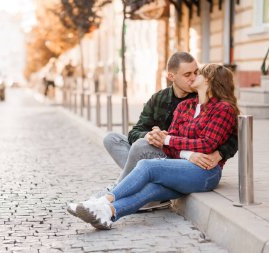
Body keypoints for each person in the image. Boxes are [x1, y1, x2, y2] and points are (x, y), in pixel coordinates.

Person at [68, 63, 240, 230]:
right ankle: (108, 213)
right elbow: (169, 146)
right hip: (181, 163)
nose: (194, 76)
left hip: (206, 171)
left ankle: (103, 201)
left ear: (209, 80)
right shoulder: (185, 106)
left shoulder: (222, 109)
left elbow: (207, 143)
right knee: (152, 188)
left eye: (199, 73)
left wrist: (168, 140)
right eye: (190, 73)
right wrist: (187, 154)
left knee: (147, 166)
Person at [99, 52, 238, 210]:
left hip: (184, 156)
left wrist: (219, 154)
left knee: (141, 148)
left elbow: (231, 134)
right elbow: (136, 131)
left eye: (196, 72)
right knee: (113, 138)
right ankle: (135, 185)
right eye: (187, 74)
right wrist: (151, 136)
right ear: (172, 77)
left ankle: (119, 189)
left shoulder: (204, 97)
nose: (193, 77)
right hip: (165, 149)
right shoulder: (160, 98)